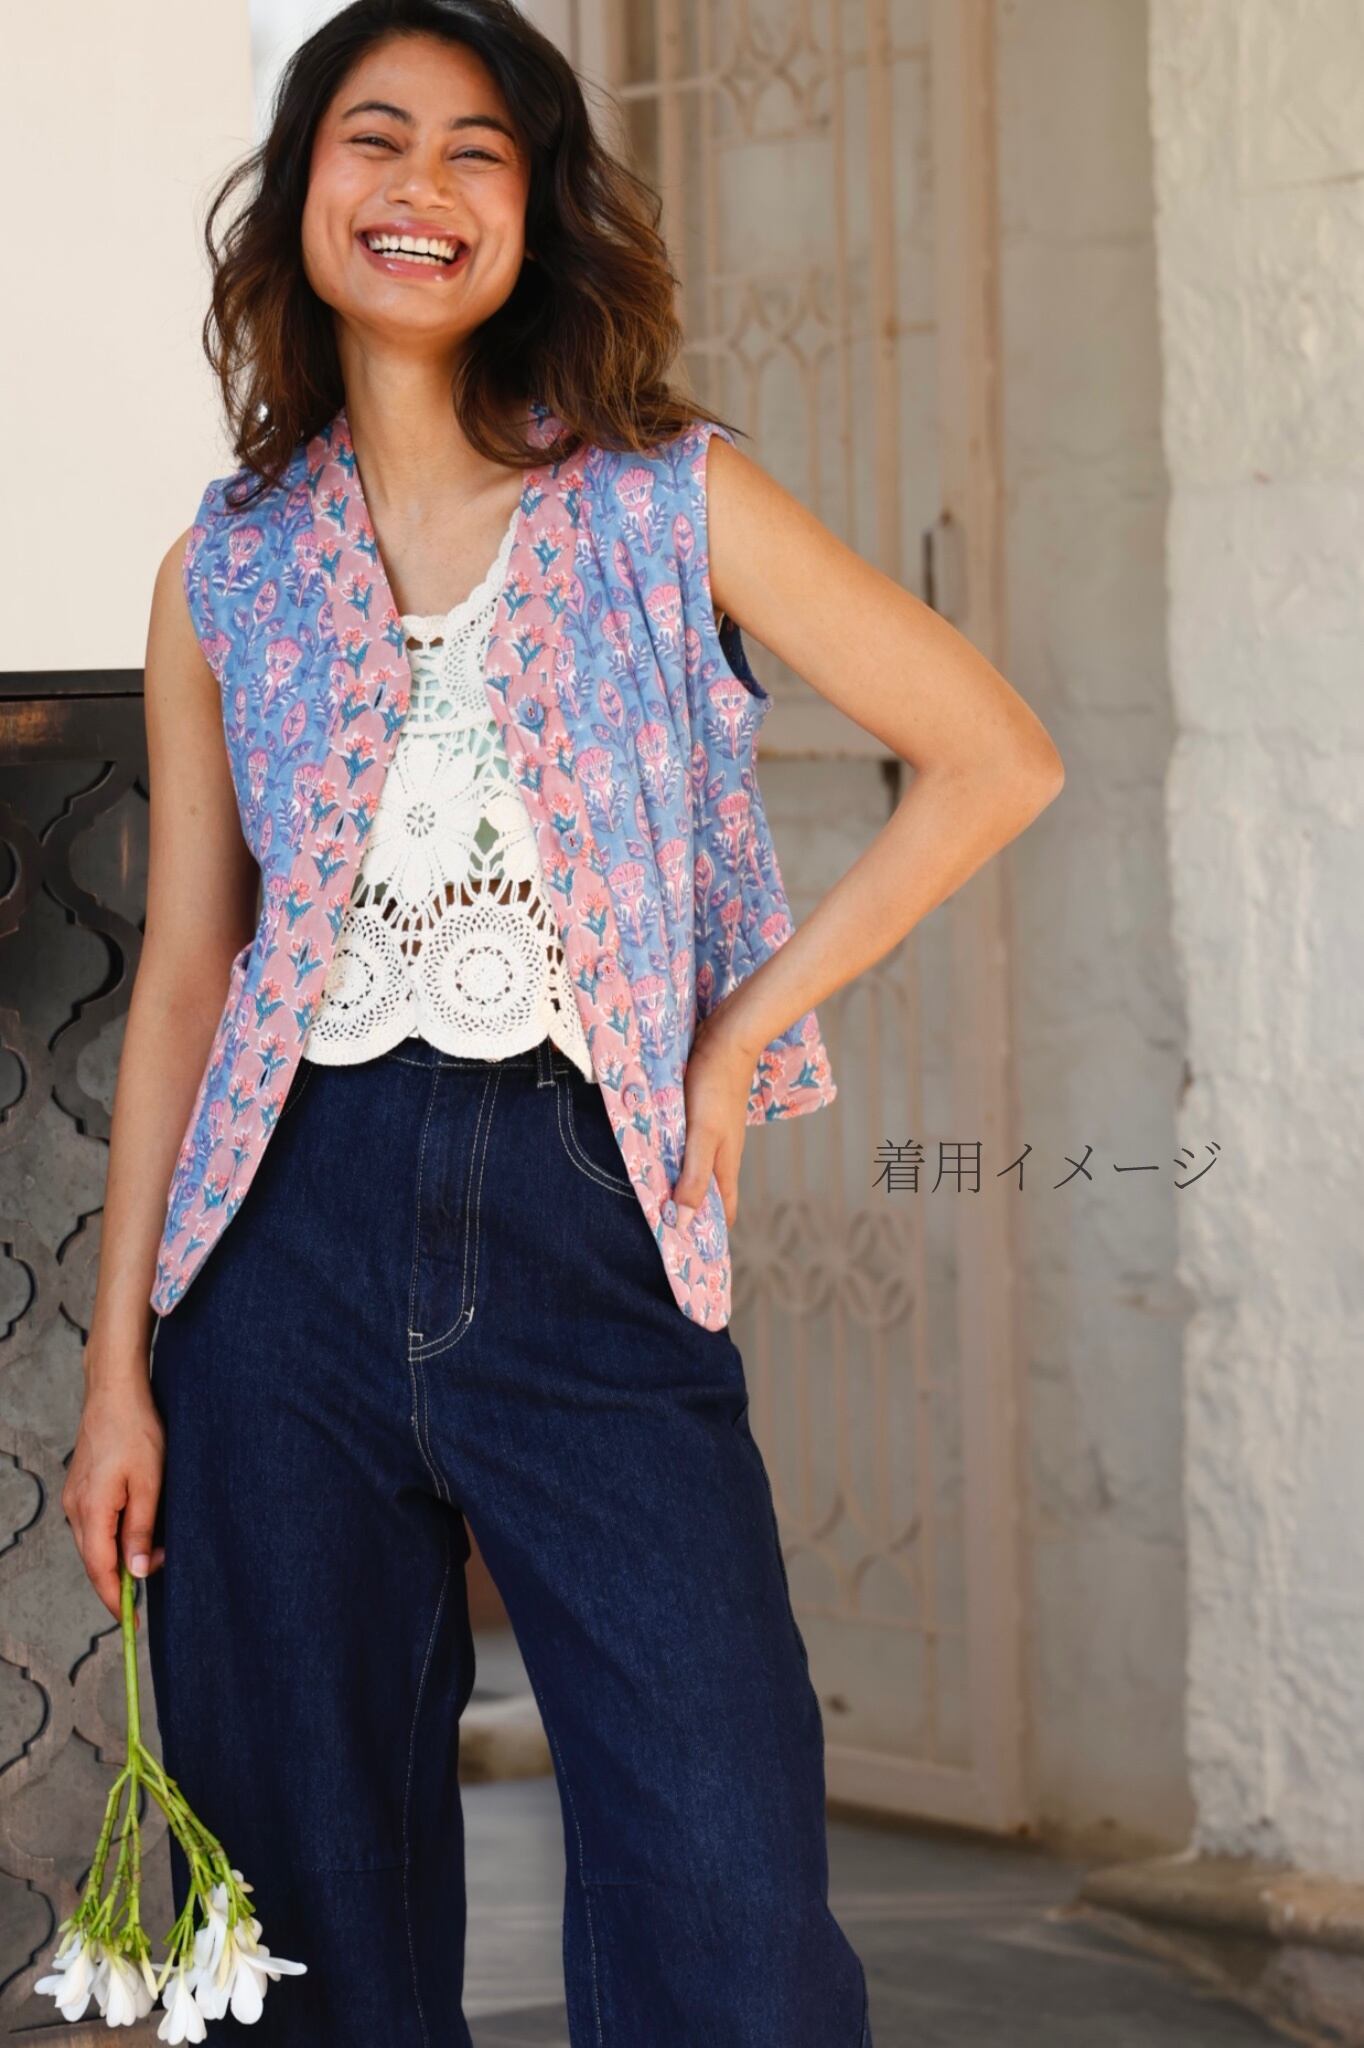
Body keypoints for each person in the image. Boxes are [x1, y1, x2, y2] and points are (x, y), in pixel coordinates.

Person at [61, 2, 1064, 2041]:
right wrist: (117, 1376)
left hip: (584, 1218)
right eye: (373, 137)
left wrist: (736, 1037)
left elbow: (993, 756)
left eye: (478, 152)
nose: (419, 186)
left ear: (536, 215)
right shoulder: (221, 572)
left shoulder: (661, 500)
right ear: (302, 187)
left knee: (725, 1891)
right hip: (272, 1255)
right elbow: (188, 976)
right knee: (309, 1909)